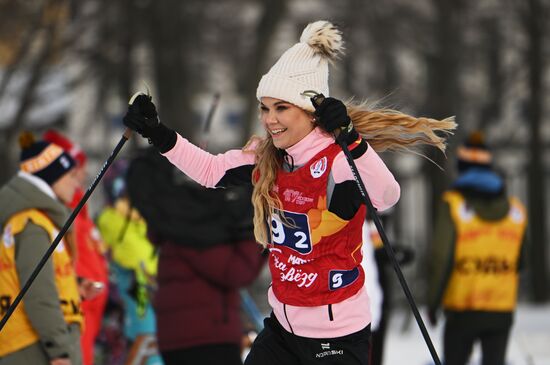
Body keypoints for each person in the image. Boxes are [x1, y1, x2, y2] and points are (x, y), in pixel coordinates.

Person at [123, 20, 456, 365]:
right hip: (283, 329)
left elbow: (386, 196)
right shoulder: (268, 158)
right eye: (265, 108)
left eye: (281, 108)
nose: (269, 119)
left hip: (336, 335)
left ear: (311, 114)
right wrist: (157, 133)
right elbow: (210, 171)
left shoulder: (335, 159)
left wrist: (353, 140)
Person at [125, 147, 267, 365]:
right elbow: (237, 271)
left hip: (181, 337)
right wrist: (256, 232)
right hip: (206, 338)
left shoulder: (176, 225)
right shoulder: (195, 231)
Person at [427, 131, 528, 365]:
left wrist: (433, 303)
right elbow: (522, 260)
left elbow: (441, 258)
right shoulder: (515, 211)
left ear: (461, 167)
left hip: (463, 308)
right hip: (501, 309)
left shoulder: (454, 205)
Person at [0, 132, 83, 365]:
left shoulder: (36, 221)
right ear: (52, 177)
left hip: (33, 346)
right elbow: (38, 293)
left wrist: (76, 289)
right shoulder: (33, 226)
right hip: (33, 349)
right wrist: (59, 351)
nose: (76, 185)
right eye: (71, 176)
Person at [43, 130, 109, 365]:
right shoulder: (61, 210)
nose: (82, 174)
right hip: (74, 308)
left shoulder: (80, 208)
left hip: (89, 309)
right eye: (76, 169)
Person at [96, 160, 164, 365]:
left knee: (152, 342)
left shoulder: (138, 219)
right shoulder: (111, 218)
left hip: (146, 290)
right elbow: (136, 255)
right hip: (132, 292)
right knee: (144, 339)